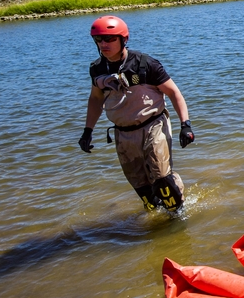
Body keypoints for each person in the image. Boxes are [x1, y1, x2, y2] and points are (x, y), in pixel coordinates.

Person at [78, 15, 194, 212]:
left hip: (153, 125)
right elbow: (96, 99)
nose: (103, 44)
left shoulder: (145, 64)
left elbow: (174, 93)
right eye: (99, 40)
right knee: (143, 189)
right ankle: (158, 216)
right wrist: (87, 131)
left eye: (109, 39)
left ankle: (179, 216)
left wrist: (186, 125)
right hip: (123, 133)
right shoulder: (97, 69)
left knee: (162, 178)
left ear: (123, 39)